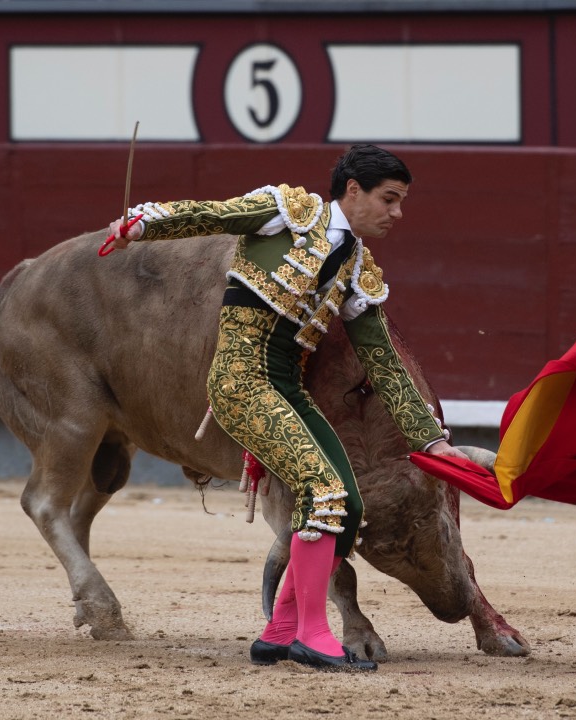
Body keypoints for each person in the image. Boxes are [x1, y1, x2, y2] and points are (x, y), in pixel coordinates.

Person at [107, 144, 464, 671]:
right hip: (241, 381)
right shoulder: (287, 213)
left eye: (401, 202)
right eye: (389, 199)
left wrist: (430, 441)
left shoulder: (357, 268)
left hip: (286, 390)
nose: (397, 213)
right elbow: (209, 214)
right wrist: (140, 224)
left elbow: (384, 362)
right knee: (325, 492)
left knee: (349, 507)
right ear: (353, 190)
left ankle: (278, 631)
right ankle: (311, 634)